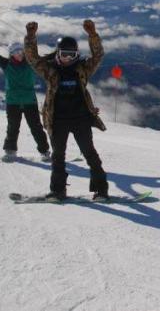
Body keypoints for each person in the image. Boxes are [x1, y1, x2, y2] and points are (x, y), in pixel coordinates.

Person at [24, 19, 109, 201]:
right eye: (64, 54)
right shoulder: (50, 70)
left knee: (90, 153)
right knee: (58, 157)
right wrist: (30, 37)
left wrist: (92, 35)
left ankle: (101, 190)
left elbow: (98, 56)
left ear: (77, 54)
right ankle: (58, 190)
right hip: (57, 120)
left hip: (81, 119)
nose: (67, 59)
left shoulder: (83, 69)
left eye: (71, 55)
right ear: (58, 53)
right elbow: (32, 59)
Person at [0, 25, 50, 162]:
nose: (18, 54)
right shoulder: (6, 64)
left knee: (36, 128)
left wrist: (63, 51)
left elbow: (46, 59)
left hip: (29, 101)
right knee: (13, 128)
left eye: (20, 51)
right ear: (11, 54)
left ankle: (45, 152)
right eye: (15, 52)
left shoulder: (31, 64)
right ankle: (10, 151)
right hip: (13, 102)